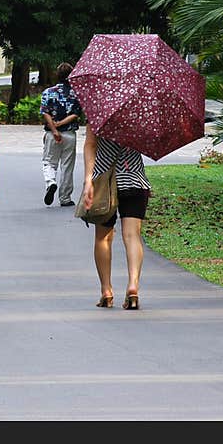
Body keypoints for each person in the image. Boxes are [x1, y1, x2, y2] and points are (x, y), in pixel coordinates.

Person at [81, 126, 151, 310]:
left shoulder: (98, 108)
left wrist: (88, 180)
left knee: (103, 237)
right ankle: (133, 285)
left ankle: (106, 290)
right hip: (135, 180)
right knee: (132, 236)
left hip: (104, 182)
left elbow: (90, 145)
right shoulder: (141, 112)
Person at [40, 62, 82, 207]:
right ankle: (65, 198)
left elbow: (45, 112)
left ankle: (51, 182)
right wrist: (62, 124)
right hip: (70, 134)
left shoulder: (48, 92)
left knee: (49, 162)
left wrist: (54, 129)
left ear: (57, 75)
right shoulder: (76, 93)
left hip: (52, 135)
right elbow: (76, 114)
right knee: (67, 166)